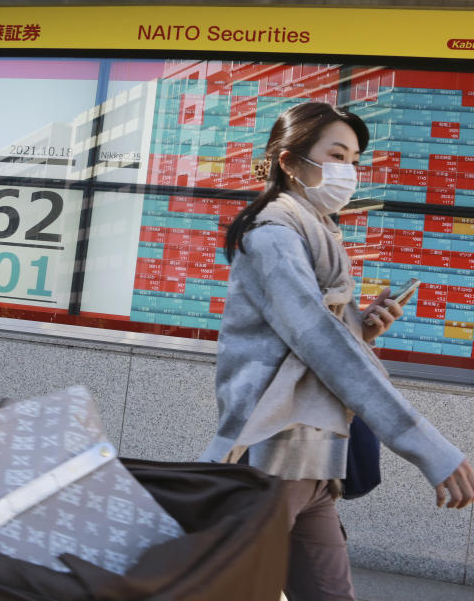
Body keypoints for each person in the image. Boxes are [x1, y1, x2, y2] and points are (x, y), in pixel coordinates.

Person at [200, 101, 474, 600]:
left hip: (316, 464)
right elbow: (319, 343)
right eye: (337, 155)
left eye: (354, 159)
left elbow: (313, 338)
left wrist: (361, 329)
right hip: (271, 461)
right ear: (289, 161)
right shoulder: (275, 236)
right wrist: (427, 446)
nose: (349, 172)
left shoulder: (319, 233)